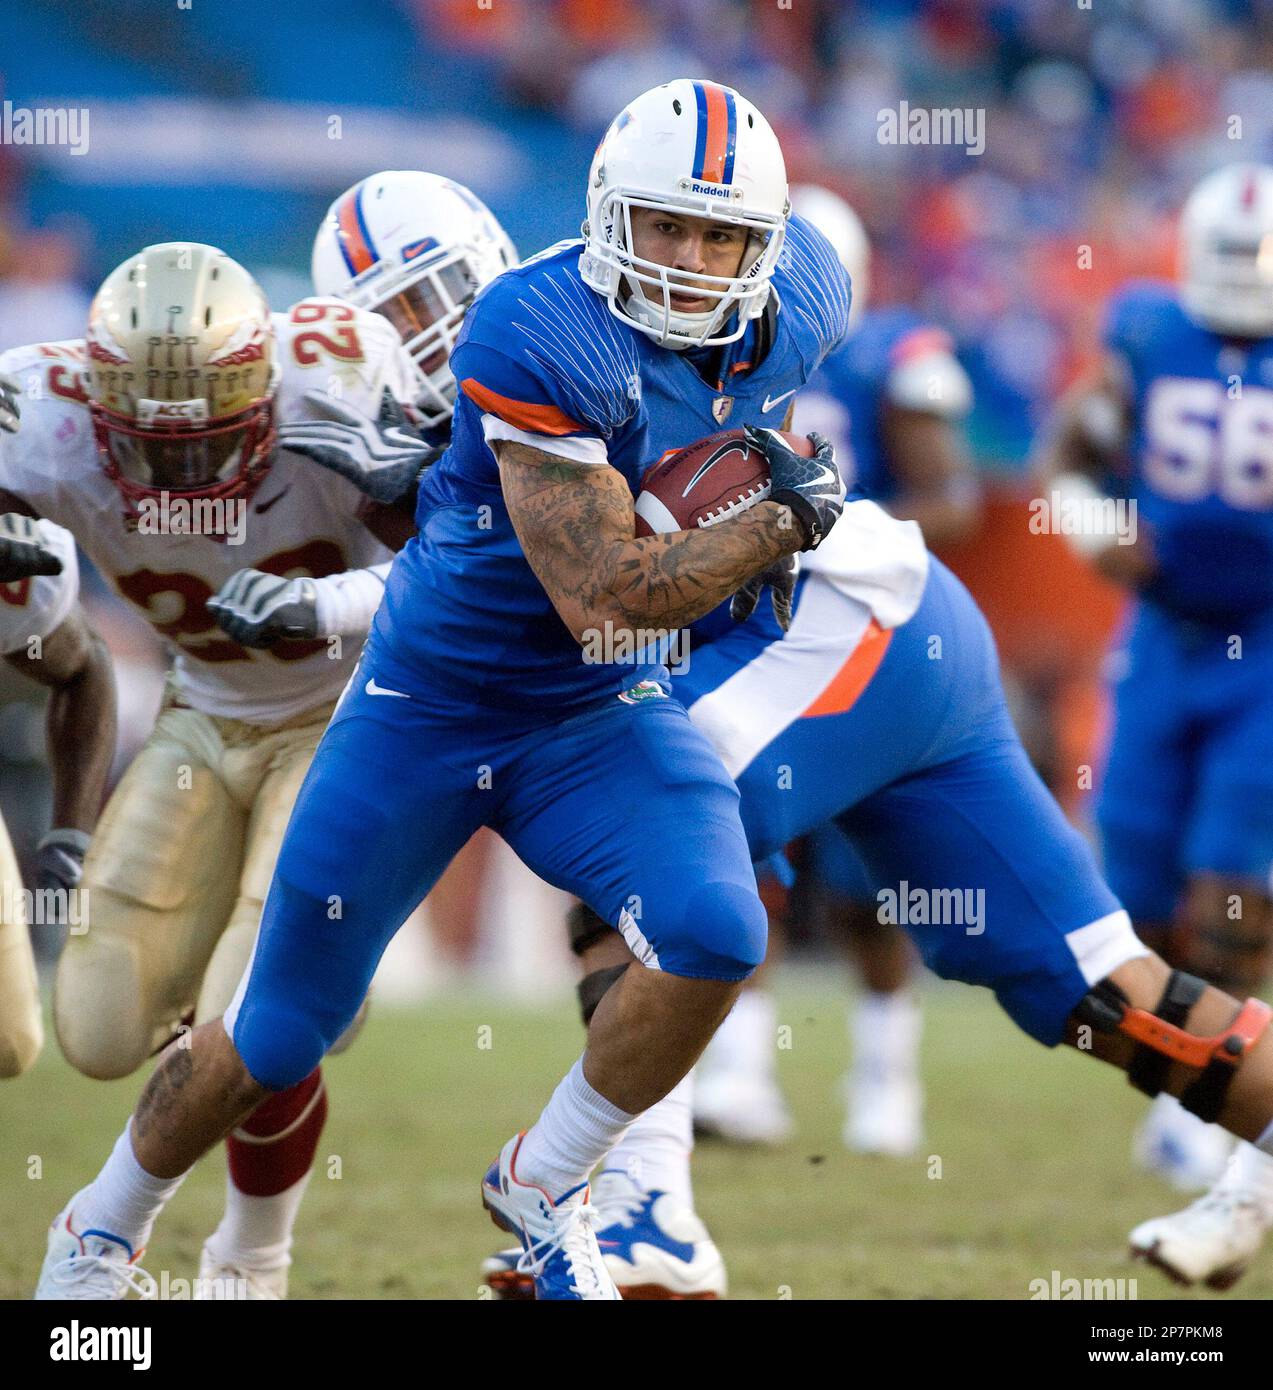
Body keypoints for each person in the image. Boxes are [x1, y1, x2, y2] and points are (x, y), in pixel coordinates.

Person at [33, 79, 853, 1301]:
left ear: (766, 248)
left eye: (720, 234)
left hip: (593, 710)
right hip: (433, 703)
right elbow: (608, 592)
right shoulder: (537, 327)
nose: (689, 262)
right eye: (662, 226)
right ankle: (98, 1229)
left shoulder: (807, 299)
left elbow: (692, 500)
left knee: (716, 930)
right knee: (276, 1030)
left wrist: (753, 502)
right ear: (601, 217)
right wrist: (781, 516)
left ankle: (548, 1177)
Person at [0, 240, 418, 1298]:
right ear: (94, 406)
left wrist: (323, 607)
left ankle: (244, 1260)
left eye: (210, 441)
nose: (183, 472)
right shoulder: (34, 411)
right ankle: (268, 1017)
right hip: (201, 712)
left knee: (259, 1012)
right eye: (151, 445)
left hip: (343, 715)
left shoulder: (338, 377)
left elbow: (449, 562)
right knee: (98, 1028)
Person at [694, 184, 979, 1155]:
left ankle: (884, 1077)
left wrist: (823, 534)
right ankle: (738, 1069)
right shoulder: (714, 353)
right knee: (743, 853)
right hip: (746, 632)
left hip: (861, 633)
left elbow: (950, 497)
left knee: (871, 881)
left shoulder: (890, 352)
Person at [1038, 162, 1273, 1287]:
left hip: (1269, 642)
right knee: (1124, 888)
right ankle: (1195, 1070)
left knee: (1231, 880)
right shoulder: (1142, 331)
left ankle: (1227, 1113)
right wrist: (1092, 525)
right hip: (1166, 634)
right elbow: (1072, 449)